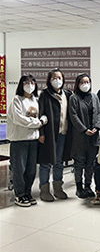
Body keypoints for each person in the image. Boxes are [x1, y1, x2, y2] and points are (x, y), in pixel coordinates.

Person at [8, 75, 46, 206]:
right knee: (19, 169)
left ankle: (27, 192)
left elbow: (42, 116)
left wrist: (41, 120)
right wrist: (38, 123)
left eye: (32, 82)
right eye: (26, 82)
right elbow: (19, 119)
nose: (29, 85)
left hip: (33, 140)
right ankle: (19, 195)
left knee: (31, 170)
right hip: (19, 140)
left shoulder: (36, 100)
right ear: (21, 85)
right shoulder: (17, 100)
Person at [37, 68, 73, 202]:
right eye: (54, 78)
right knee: (46, 162)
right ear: (49, 80)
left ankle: (58, 188)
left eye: (59, 78)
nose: (57, 80)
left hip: (63, 134)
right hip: (49, 135)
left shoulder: (67, 94)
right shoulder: (44, 95)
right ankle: (44, 190)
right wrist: (41, 133)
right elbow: (40, 114)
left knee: (59, 162)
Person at [69, 73, 100, 199]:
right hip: (80, 137)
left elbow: (99, 113)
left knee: (90, 163)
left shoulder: (94, 97)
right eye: (82, 82)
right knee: (79, 163)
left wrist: (96, 127)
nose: (85, 84)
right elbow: (73, 116)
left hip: (94, 136)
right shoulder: (74, 98)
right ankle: (79, 187)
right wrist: (84, 130)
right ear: (77, 84)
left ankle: (88, 186)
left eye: (87, 82)